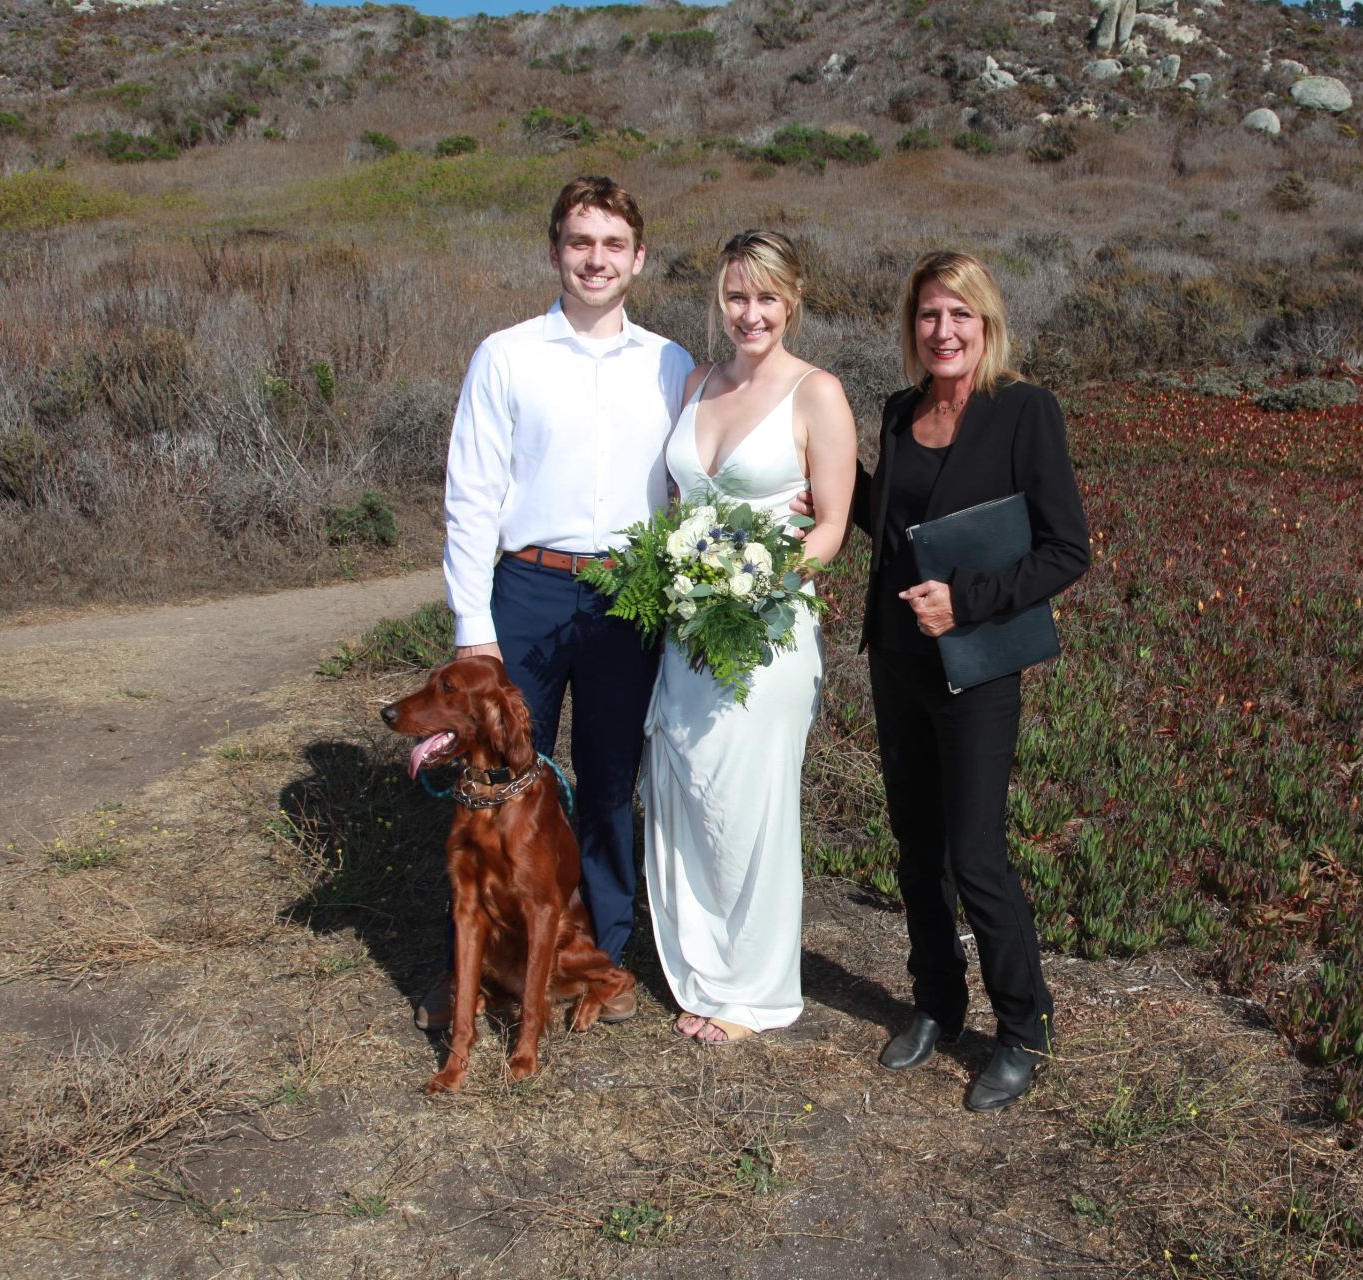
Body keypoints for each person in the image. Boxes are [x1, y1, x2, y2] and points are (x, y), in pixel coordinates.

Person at [431, 175, 694, 1029]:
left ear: (639, 258)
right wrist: (476, 629)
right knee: (503, 778)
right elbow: (471, 495)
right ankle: (488, 964)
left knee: (612, 779)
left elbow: (695, 483)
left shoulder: (670, 363)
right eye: (580, 242)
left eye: (613, 244)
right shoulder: (506, 354)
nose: (596, 259)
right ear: (554, 252)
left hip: (628, 596)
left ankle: (600, 954)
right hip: (530, 590)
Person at [852, 251, 1089, 1110]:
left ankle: (1023, 1024)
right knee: (917, 852)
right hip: (899, 660)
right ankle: (938, 1004)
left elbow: (1068, 549)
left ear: (986, 325)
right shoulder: (895, 412)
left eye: (961, 315)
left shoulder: (1022, 412)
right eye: (928, 316)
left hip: (977, 666)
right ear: (911, 329)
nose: (943, 331)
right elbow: (891, 526)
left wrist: (969, 603)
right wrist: (827, 487)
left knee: (976, 855)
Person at [643, 230, 857, 1044]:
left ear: (792, 301)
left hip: (763, 631)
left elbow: (831, 526)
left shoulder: (817, 394)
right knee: (687, 793)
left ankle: (756, 993)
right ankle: (702, 971)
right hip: (688, 626)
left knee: (750, 804)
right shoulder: (696, 382)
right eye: (737, 296)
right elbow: (673, 506)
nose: (750, 313)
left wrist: (758, 584)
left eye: (766, 297)